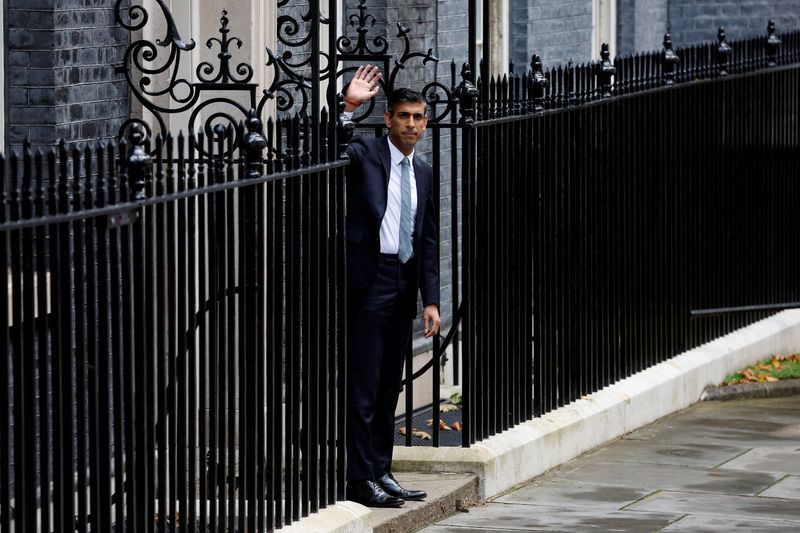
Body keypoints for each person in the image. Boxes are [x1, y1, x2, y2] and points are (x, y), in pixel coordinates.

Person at [341, 65, 441, 508]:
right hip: (370, 280)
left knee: (388, 386)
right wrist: (347, 107)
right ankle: (359, 479)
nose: (412, 125)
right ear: (388, 119)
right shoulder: (366, 153)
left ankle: (382, 469)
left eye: (419, 117)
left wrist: (432, 299)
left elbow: (430, 238)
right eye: (404, 116)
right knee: (364, 385)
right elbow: (331, 148)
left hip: (404, 284)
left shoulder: (424, 172)